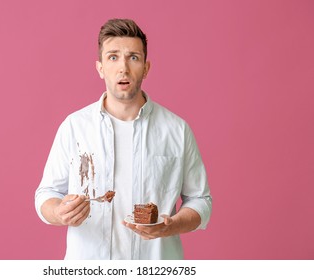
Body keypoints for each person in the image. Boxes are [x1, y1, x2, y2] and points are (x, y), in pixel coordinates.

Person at [35, 18, 212, 260]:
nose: (123, 68)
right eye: (113, 57)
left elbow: (200, 200)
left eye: (134, 58)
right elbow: (46, 193)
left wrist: (171, 226)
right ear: (100, 68)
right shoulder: (74, 127)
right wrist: (59, 212)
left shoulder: (177, 130)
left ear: (146, 68)